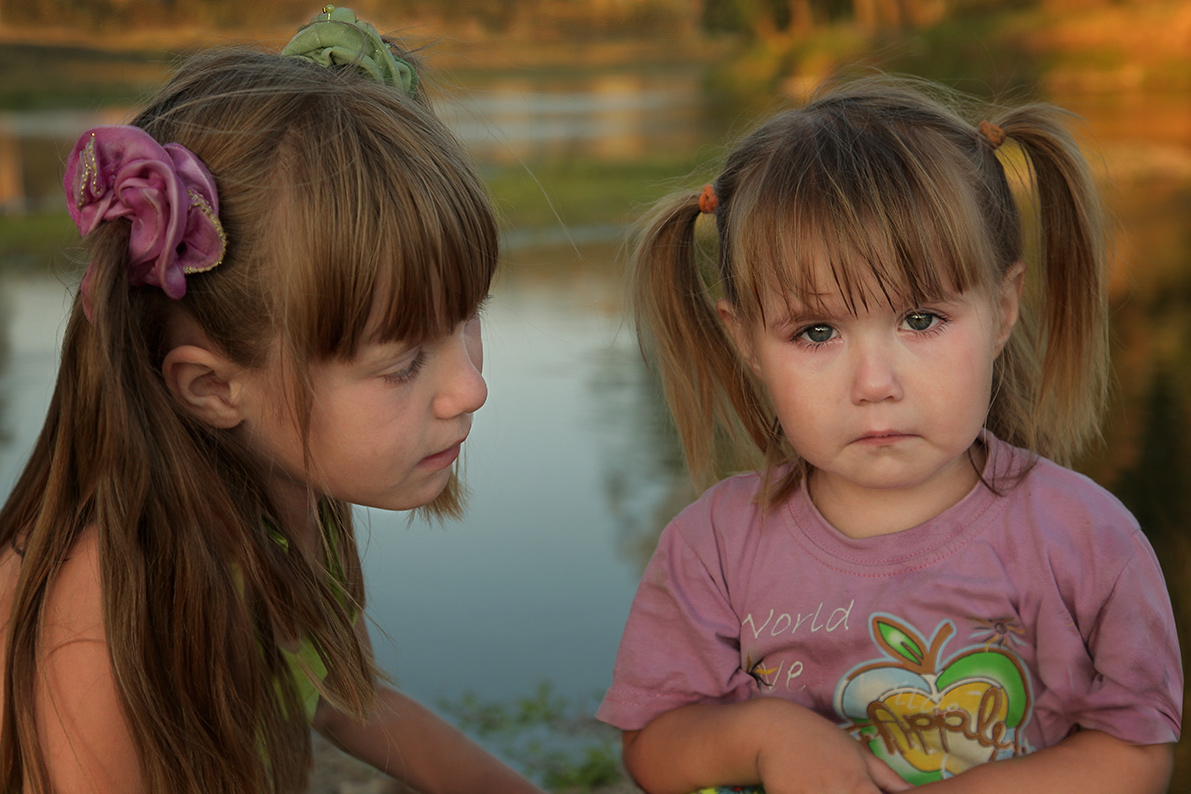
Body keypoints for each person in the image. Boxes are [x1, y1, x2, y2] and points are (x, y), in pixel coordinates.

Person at [0, 7, 545, 794]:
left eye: (469, 317)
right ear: (214, 388)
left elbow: (339, 696)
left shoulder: (282, 495)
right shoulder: (101, 611)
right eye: (401, 365)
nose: (471, 387)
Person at [596, 77, 1182, 794]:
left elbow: (1136, 755)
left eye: (920, 320)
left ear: (1001, 310)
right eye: (816, 332)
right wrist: (767, 737)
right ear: (744, 340)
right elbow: (653, 746)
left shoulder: (1083, 536)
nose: (874, 381)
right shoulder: (712, 548)